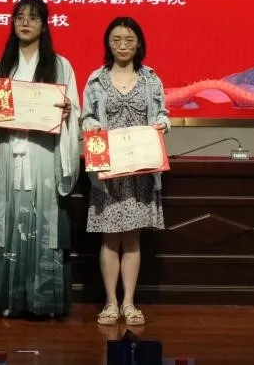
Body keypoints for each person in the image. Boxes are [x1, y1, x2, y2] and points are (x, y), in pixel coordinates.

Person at [0, 0, 80, 318]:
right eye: (19, 17)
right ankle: (10, 299)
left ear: (44, 25)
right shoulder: (0, 66)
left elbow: (74, 111)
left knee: (43, 224)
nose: (25, 23)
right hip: (9, 152)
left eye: (33, 18)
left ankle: (43, 301)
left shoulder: (61, 66)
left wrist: (68, 113)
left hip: (44, 154)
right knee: (9, 223)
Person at [82, 17, 170, 327]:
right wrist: (92, 125)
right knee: (109, 239)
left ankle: (129, 303)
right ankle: (110, 303)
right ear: (108, 43)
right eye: (116, 40)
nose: (122, 45)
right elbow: (86, 118)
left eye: (129, 40)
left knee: (132, 241)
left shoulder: (151, 79)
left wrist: (162, 124)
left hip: (140, 170)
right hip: (109, 171)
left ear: (138, 44)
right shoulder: (96, 80)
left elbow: (163, 114)